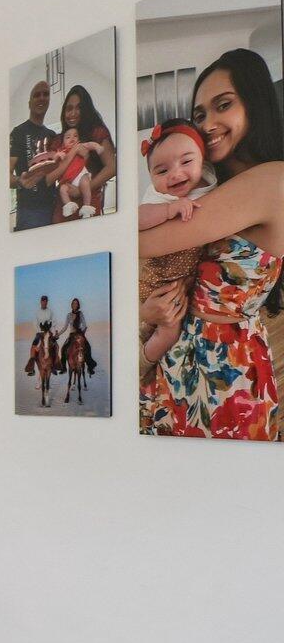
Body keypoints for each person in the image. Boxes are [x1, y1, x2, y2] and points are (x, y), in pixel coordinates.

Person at [138, 157, 284, 440]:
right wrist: (151, 311)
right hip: (179, 346)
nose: (210, 124)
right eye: (201, 114)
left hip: (228, 360)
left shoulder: (271, 180)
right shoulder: (212, 184)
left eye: (223, 108)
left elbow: (140, 244)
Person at [137, 121, 217, 364]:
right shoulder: (159, 197)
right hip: (155, 281)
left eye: (186, 162)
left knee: (174, 325)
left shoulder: (213, 188)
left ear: (202, 159)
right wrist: (169, 209)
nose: (175, 174)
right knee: (167, 331)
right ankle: (144, 364)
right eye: (161, 171)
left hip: (186, 284)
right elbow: (135, 219)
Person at [51, 84, 116, 219]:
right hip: (64, 206)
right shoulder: (58, 140)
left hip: (89, 204)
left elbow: (112, 167)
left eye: (79, 108)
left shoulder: (97, 132)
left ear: (86, 110)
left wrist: (82, 190)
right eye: (69, 109)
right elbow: (51, 173)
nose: (73, 113)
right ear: (64, 112)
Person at [10, 79, 59, 229]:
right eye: (37, 95)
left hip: (53, 206)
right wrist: (20, 181)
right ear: (30, 103)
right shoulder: (18, 132)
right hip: (29, 210)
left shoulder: (52, 135)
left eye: (46, 94)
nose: (42, 98)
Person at [58, 296, 97, 376]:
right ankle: (64, 368)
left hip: (79, 334)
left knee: (88, 347)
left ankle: (90, 367)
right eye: (73, 303)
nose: (74, 305)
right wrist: (58, 334)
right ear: (71, 305)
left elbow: (84, 325)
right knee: (63, 348)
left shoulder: (80, 313)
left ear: (78, 305)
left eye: (76, 303)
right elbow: (65, 327)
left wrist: (81, 332)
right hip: (72, 335)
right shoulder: (68, 315)